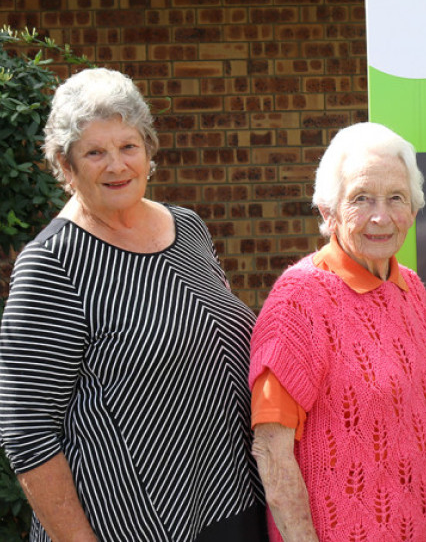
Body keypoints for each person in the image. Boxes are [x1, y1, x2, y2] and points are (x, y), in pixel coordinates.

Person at [0, 68, 265, 541]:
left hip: (229, 498)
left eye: (128, 146)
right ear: (66, 165)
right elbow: (27, 431)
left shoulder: (187, 228)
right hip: (126, 522)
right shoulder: (52, 264)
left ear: (148, 148)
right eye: (95, 152)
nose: (117, 165)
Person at [248, 122, 426, 542]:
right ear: (329, 211)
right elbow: (272, 449)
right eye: (361, 198)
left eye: (396, 198)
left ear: (413, 209)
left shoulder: (411, 289)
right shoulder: (298, 301)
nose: (381, 216)